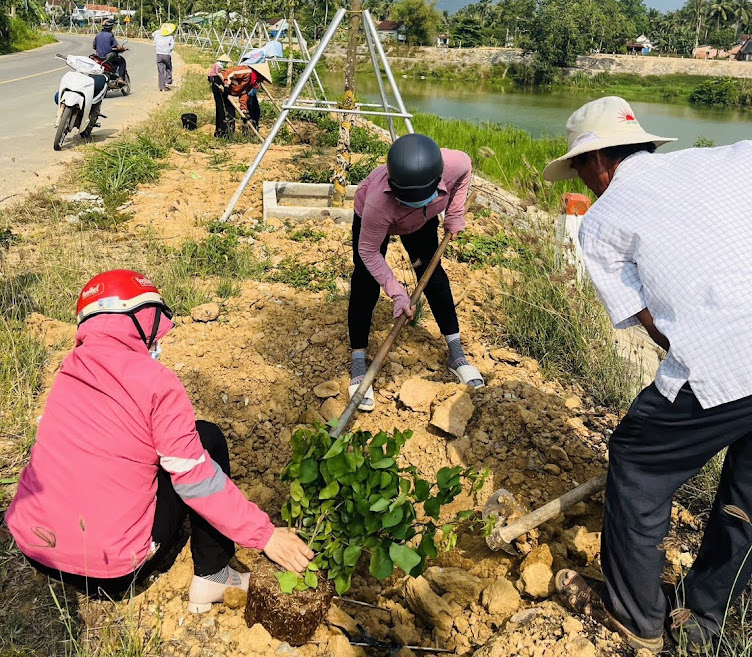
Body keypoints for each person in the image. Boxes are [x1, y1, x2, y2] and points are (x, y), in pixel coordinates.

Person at [542, 96, 752, 654]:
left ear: (598, 162)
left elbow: (653, 325)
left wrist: (698, 355)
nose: (586, 179)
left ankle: (635, 615)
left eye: (582, 168)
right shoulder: (730, 158)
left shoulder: (604, 220)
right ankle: (706, 617)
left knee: (637, 460)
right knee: (747, 490)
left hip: (730, 358)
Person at [4, 270, 313, 613]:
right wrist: (266, 536)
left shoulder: (69, 370)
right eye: (154, 325)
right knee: (206, 438)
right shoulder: (157, 382)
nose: (156, 340)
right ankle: (214, 575)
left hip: (37, 551)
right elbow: (196, 480)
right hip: (111, 570)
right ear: (138, 320)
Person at [349, 133, 484, 411]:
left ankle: (457, 354)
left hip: (423, 221)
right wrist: (397, 293)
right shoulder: (377, 202)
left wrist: (455, 213)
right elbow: (369, 252)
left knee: (434, 277)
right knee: (365, 282)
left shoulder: (453, 163)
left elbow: (467, 168)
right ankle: (359, 360)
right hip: (378, 220)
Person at [209, 59, 271, 138]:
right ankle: (221, 134)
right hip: (220, 82)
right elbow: (230, 73)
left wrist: (243, 109)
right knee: (223, 109)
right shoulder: (246, 71)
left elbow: (244, 94)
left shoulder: (251, 83)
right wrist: (226, 85)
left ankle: (228, 133)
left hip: (226, 88)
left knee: (230, 110)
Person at [93, 18, 126, 84]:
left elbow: (94, 47)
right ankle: (121, 79)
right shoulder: (110, 35)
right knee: (122, 61)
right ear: (110, 27)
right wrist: (123, 48)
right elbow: (118, 47)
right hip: (108, 58)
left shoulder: (98, 35)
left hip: (99, 58)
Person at [153, 23, 175, 92]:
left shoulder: (157, 36)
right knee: (168, 68)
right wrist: (168, 50)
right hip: (166, 55)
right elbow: (172, 46)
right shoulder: (170, 37)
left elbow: (154, 44)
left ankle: (161, 86)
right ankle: (167, 83)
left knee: (160, 71)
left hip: (159, 55)